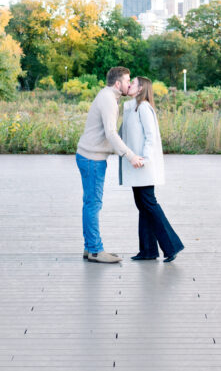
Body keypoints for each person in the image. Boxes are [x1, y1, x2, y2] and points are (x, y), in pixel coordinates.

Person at [76, 66, 145, 263]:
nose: (130, 84)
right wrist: (130, 156)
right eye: (127, 80)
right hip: (92, 158)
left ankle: (90, 247)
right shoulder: (108, 99)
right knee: (93, 204)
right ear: (118, 83)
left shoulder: (109, 96)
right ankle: (96, 250)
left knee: (91, 203)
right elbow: (111, 133)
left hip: (90, 157)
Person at [120, 77, 184, 262]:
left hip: (143, 165)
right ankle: (148, 250)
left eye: (133, 82)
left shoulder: (144, 108)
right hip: (135, 165)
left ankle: (172, 246)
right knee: (143, 206)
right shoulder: (131, 107)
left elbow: (151, 137)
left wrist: (145, 159)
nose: (130, 84)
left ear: (141, 89)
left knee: (149, 204)